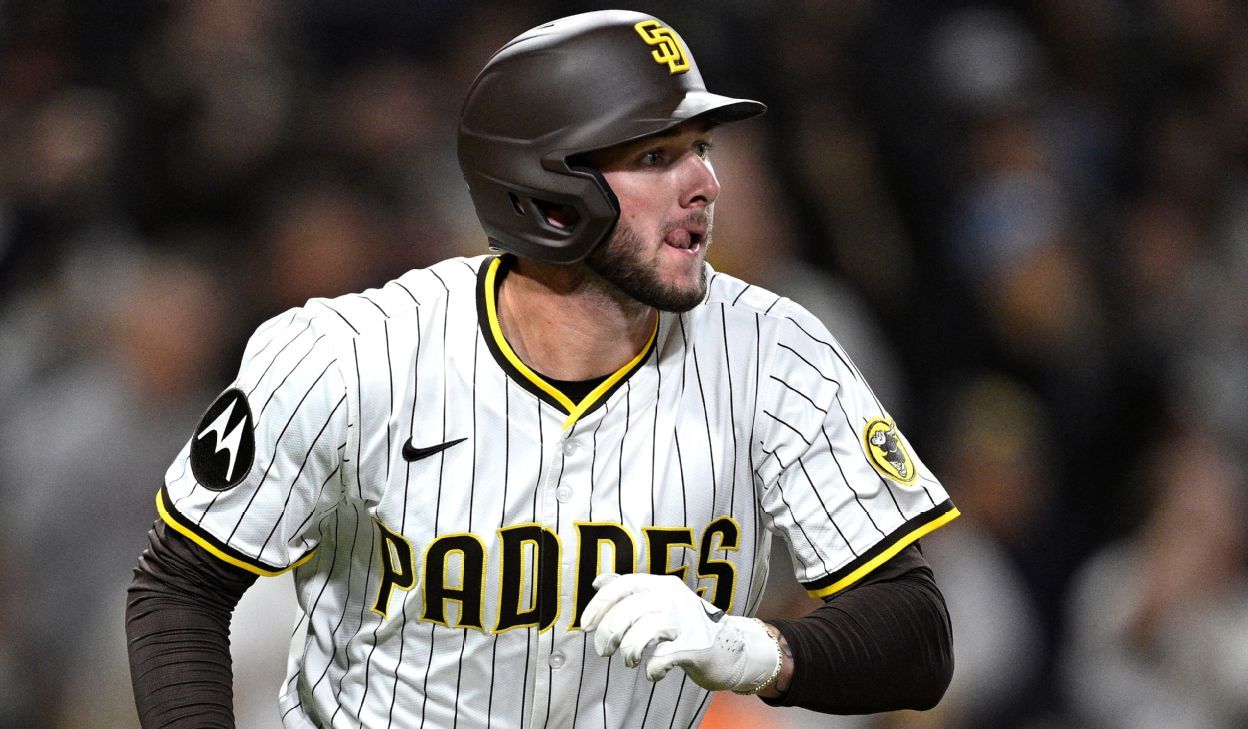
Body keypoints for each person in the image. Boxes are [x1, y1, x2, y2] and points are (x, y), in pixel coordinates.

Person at [126, 10, 958, 728]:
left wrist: (752, 648)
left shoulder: (776, 350)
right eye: (656, 155)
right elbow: (179, 587)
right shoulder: (351, 355)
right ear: (548, 193)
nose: (706, 182)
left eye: (700, 147)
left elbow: (917, 631)